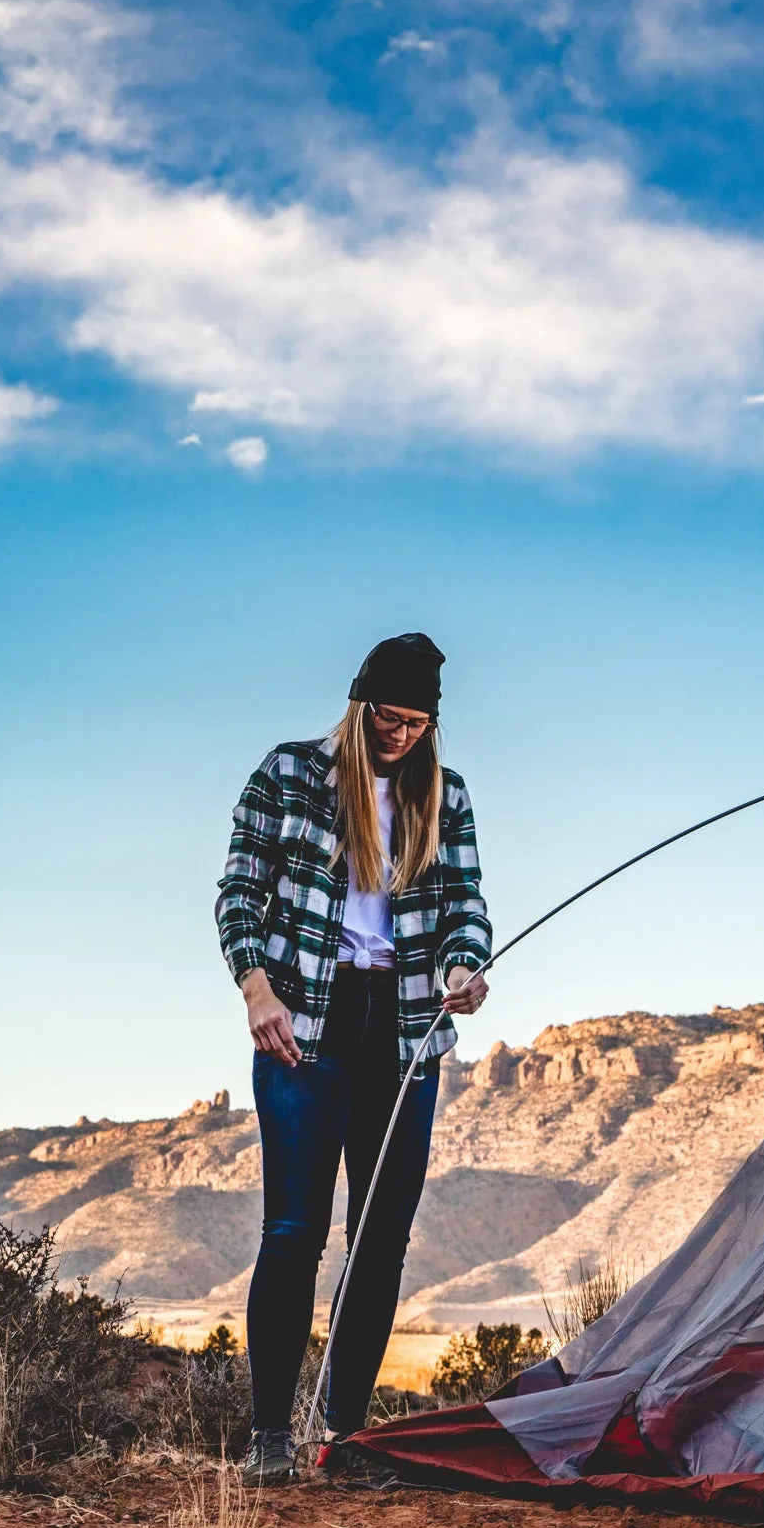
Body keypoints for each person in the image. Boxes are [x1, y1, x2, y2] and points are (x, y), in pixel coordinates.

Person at [214, 633, 490, 1483]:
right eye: (389, 716)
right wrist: (257, 990)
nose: (401, 734)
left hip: (403, 1031)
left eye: (417, 722)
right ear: (359, 703)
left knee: (379, 1239)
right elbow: (238, 891)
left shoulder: (446, 797)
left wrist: (463, 967)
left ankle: (346, 1439)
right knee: (293, 1232)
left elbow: (466, 908)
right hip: (306, 1025)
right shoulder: (288, 774)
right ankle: (268, 1441)